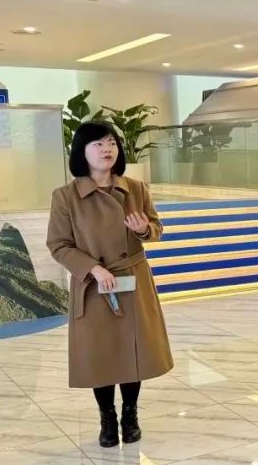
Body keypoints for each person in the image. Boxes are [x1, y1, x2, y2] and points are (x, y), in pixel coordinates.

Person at [46, 122, 174, 448]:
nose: (107, 149)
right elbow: (58, 245)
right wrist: (92, 268)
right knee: (100, 354)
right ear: (82, 152)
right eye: (98, 144)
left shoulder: (136, 189)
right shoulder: (65, 197)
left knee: (134, 352)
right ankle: (107, 418)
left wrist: (144, 229)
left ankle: (130, 415)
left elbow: (156, 229)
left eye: (112, 143)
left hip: (133, 281)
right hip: (93, 286)